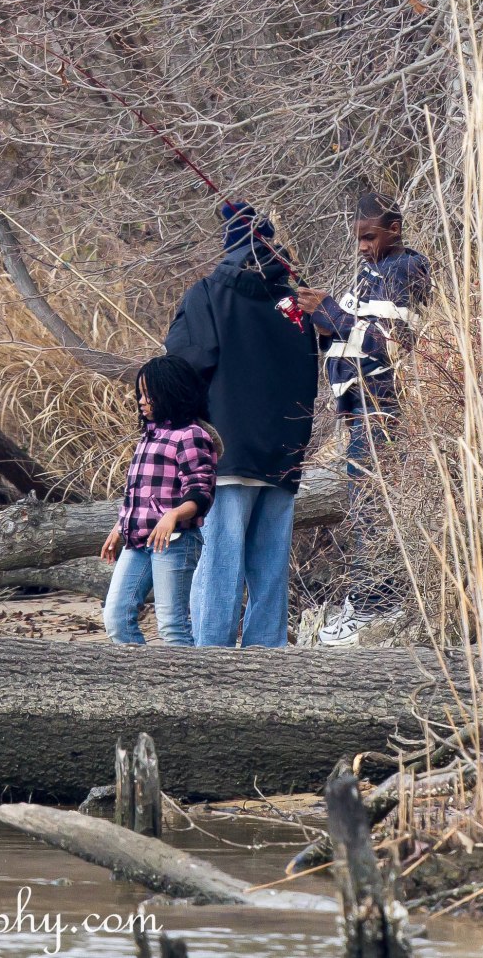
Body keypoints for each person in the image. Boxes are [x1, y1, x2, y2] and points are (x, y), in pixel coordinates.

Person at [164, 202, 320, 647]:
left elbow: (182, 366)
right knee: (270, 567)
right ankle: (266, 659)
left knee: (220, 561)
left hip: (226, 451)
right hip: (284, 454)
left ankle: (211, 659)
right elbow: (308, 365)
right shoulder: (294, 304)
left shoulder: (208, 294)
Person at [295, 192, 432, 647]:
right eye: (357, 239)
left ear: (395, 230)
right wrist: (317, 319)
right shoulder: (372, 270)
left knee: (370, 508)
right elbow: (353, 331)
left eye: (369, 237)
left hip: (380, 405)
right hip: (358, 406)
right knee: (361, 507)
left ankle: (377, 605)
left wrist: (330, 312)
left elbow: (387, 343)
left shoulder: (404, 270)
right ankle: (366, 600)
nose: (362, 246)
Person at [99, 355, 218, 646]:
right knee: (116, 616)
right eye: (140, 393)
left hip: (176, 541)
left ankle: (187, 688)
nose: (142, 400)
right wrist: (119, 526)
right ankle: (144, 685)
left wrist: (173, 515)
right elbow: (139, 494)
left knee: (172, 626)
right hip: (137, 540)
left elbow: (201, 492)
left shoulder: (192, 435)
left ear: (171, 391)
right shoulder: (148, 436)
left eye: (149, 394)